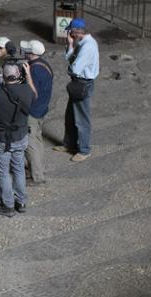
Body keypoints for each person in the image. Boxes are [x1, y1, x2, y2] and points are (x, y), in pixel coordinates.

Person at [0, 58, 36, 217]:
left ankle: (8, 206)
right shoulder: (27, 90)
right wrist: (28, 75)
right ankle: (21, 202)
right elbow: (35, 94)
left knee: (3, 172)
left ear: (2, 77)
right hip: (21, 137)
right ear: (19, 74)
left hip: (2, 140)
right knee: (19, 168)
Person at [55, 17, 99, 161]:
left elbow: (75, 68)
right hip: (77, 83)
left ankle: (84, 150)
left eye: (71, 32)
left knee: (82, 119)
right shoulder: (81, 42)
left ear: (76, 32)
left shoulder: (88, 47)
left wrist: (70, 68)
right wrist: (70, 45)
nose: (70, 34)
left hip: (82, 83)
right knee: (70, 116)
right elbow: (69, 57)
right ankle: (70, 144)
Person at [20, 39, 54, 184]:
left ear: (31, 53)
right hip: (41, 109)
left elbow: (33, 94)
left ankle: (37, 177)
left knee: (30, 144)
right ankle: (39, 168)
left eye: (26, 50)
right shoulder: (44, 64)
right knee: (38, 140)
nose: (24, 52)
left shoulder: (34, 70)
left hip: (32, 111)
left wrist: (26, 76)